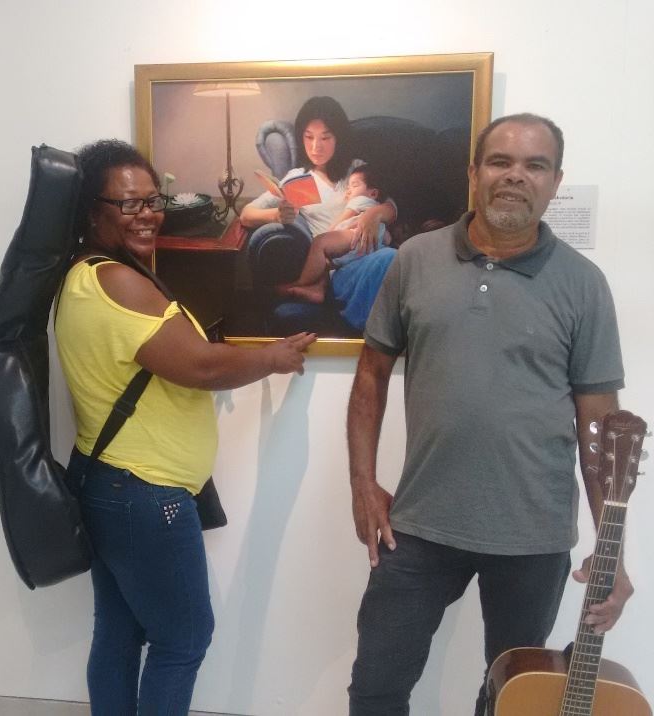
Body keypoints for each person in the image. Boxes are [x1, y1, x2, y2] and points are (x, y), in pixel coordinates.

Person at [345, 113, 632, 715]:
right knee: (376, 686)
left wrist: (613, 548)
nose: (515, 176)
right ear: (474, 172)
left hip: (533, 536)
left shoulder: (583, 284)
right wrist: (362, 483)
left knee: (510, 698)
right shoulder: (415, 259)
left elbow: (599, 428)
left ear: (555, 181)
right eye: (500, 161)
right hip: (419, 525)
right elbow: (371, 374)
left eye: (535, 165)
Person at [55, 139, 316, 715]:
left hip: (110, 484)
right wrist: (273, 358)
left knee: (120, 632)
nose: (147, 214)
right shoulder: (116, 282)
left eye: (153, 200)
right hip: (143, 492)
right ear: (91, 211)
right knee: (183, 640)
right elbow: (199, 367)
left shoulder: (86, 276)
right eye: (128, 203)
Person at [240, 96, 397, 331]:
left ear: (338, 137)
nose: (316, 147)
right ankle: (362, 331)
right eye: (309, 137)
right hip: (338, 268)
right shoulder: (298, 179)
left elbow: (392, 206)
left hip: (369, 249)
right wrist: (277, 215)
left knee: (392, 258)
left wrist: (374, 214)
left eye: (325, 137)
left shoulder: (356, 169)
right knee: (389, 259)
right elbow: (246, 214)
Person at [276, 164, 391, 303]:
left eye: (354, 186)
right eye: (348, 186)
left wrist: (328, 234)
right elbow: (386, 237)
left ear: (373, 193)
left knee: (320, 243)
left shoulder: (360, 200)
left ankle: (302, 282)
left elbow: (344, 218)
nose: (348, 190)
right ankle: (319, 289)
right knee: (327, 263)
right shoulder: (375, 206)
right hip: (371, 245)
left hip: (355, 236)